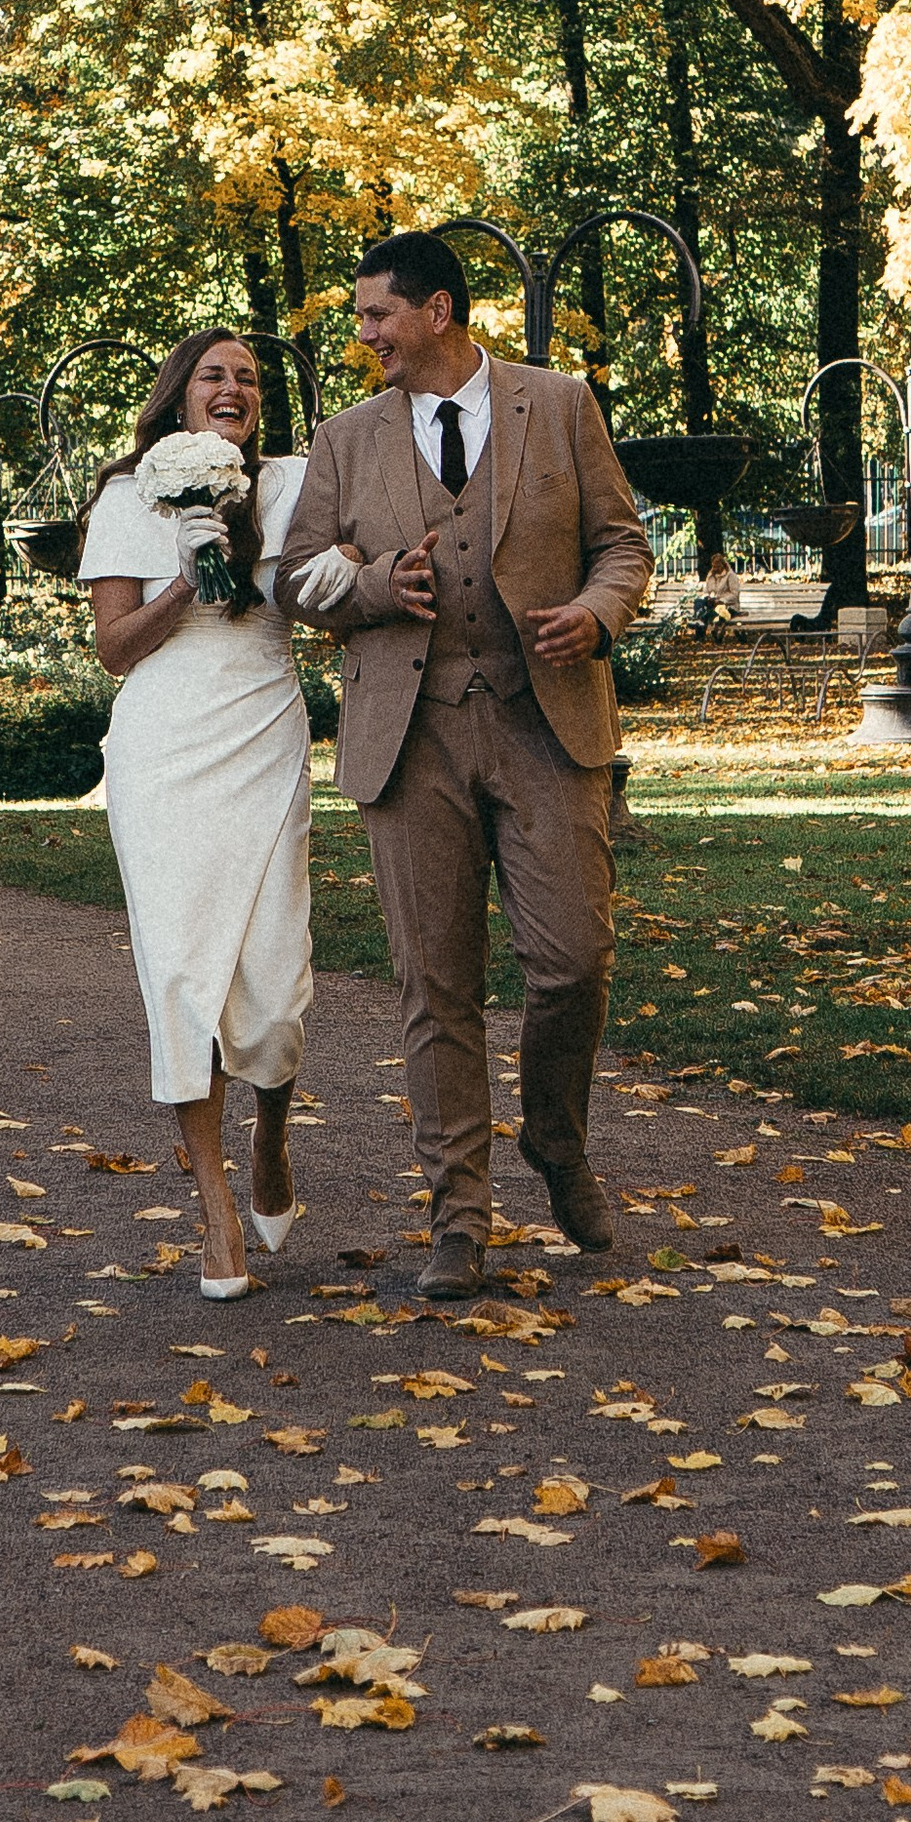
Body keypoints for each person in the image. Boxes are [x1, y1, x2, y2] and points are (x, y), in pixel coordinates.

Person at [278, 231, 652, 1300]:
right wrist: (369, 592)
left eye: (374, 318)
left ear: (436, 311)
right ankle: (459, 1220)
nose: (363, 338)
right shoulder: (344, 439)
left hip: (546, 725)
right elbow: (298, 576)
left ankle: (557, 1140)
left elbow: (623, 544)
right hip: (412, 734)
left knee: (573, 959)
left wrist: (594, 612)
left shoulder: (562, 404)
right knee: (432, 984)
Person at [78, 330, 312, 1299]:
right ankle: (215, 1211)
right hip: (164, 747)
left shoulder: (293, 483)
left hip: (262, 729)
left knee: (272, 980)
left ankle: (271, 1145)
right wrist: (186, 571)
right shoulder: (124, 497)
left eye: (249, 378)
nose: (234, 388)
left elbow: (330, 580)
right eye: (214, 375)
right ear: (179, 396)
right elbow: (116, 649)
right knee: (183, 973)